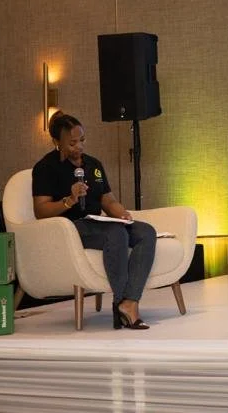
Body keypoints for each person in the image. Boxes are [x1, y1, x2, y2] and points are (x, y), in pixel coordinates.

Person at [32, 112, 156, 330]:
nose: (79, 147)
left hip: (97, 222)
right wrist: (69, 200)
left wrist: (122, 214)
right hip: (70, 227)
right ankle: (121, 301)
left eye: (82, 140)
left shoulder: (93, 165)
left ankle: (129, 302)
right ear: (56, 142)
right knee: (115, 234)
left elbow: (107, 200)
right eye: (72, 143)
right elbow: (41, 211)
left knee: (146, 232)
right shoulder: (45, 167)